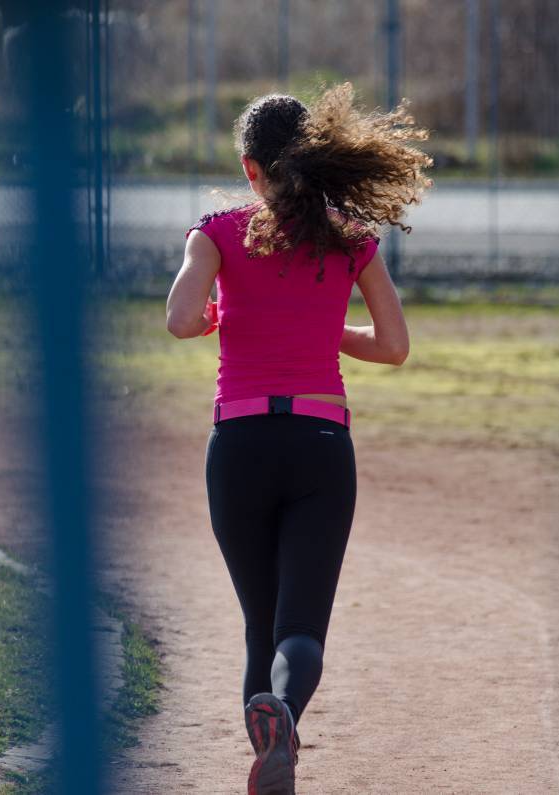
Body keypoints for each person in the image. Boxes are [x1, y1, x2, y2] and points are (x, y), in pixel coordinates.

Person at [165, 83, 430, 795]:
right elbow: (396, 345)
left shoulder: (217, 230)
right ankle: (284, 708)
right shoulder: (351, 237)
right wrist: (326, 331)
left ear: (251, 169)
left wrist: (219, 312)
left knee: (260, 620)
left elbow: (180, 319)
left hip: (240, 444)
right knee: (300, 627)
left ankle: (267, 730)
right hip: (320, 442)